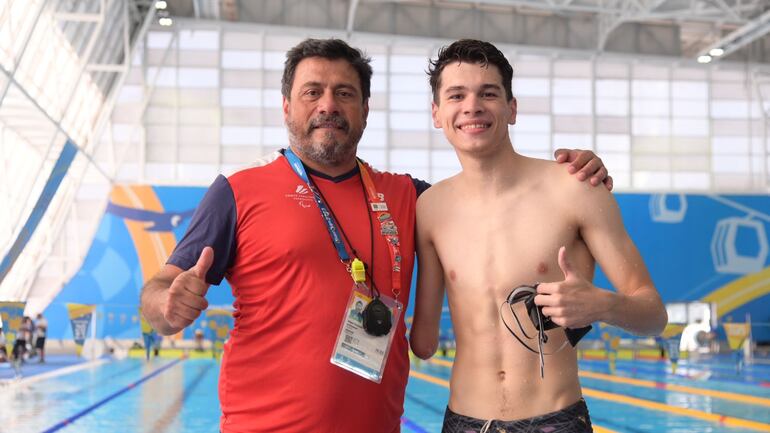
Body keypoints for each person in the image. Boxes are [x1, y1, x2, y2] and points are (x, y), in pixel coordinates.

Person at [140, 38, 611, 433]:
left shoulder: (413, 198)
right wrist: (165, 306)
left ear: (366, 109)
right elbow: (161, 293)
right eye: (312, 92)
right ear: (287, 106)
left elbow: (499, 198)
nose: (328, 105)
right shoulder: (237, 193)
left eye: (344, 93)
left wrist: (576, 175)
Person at [409, 39, 667, 433]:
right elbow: (423, 343)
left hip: (554, 420)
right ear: (436, 112)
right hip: (462, 420)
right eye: (456, 95)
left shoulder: (576, 187)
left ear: (512, 109)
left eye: (488, 93)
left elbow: (654, 315)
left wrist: (602, 305)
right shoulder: (429, 208)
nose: (472, 106)